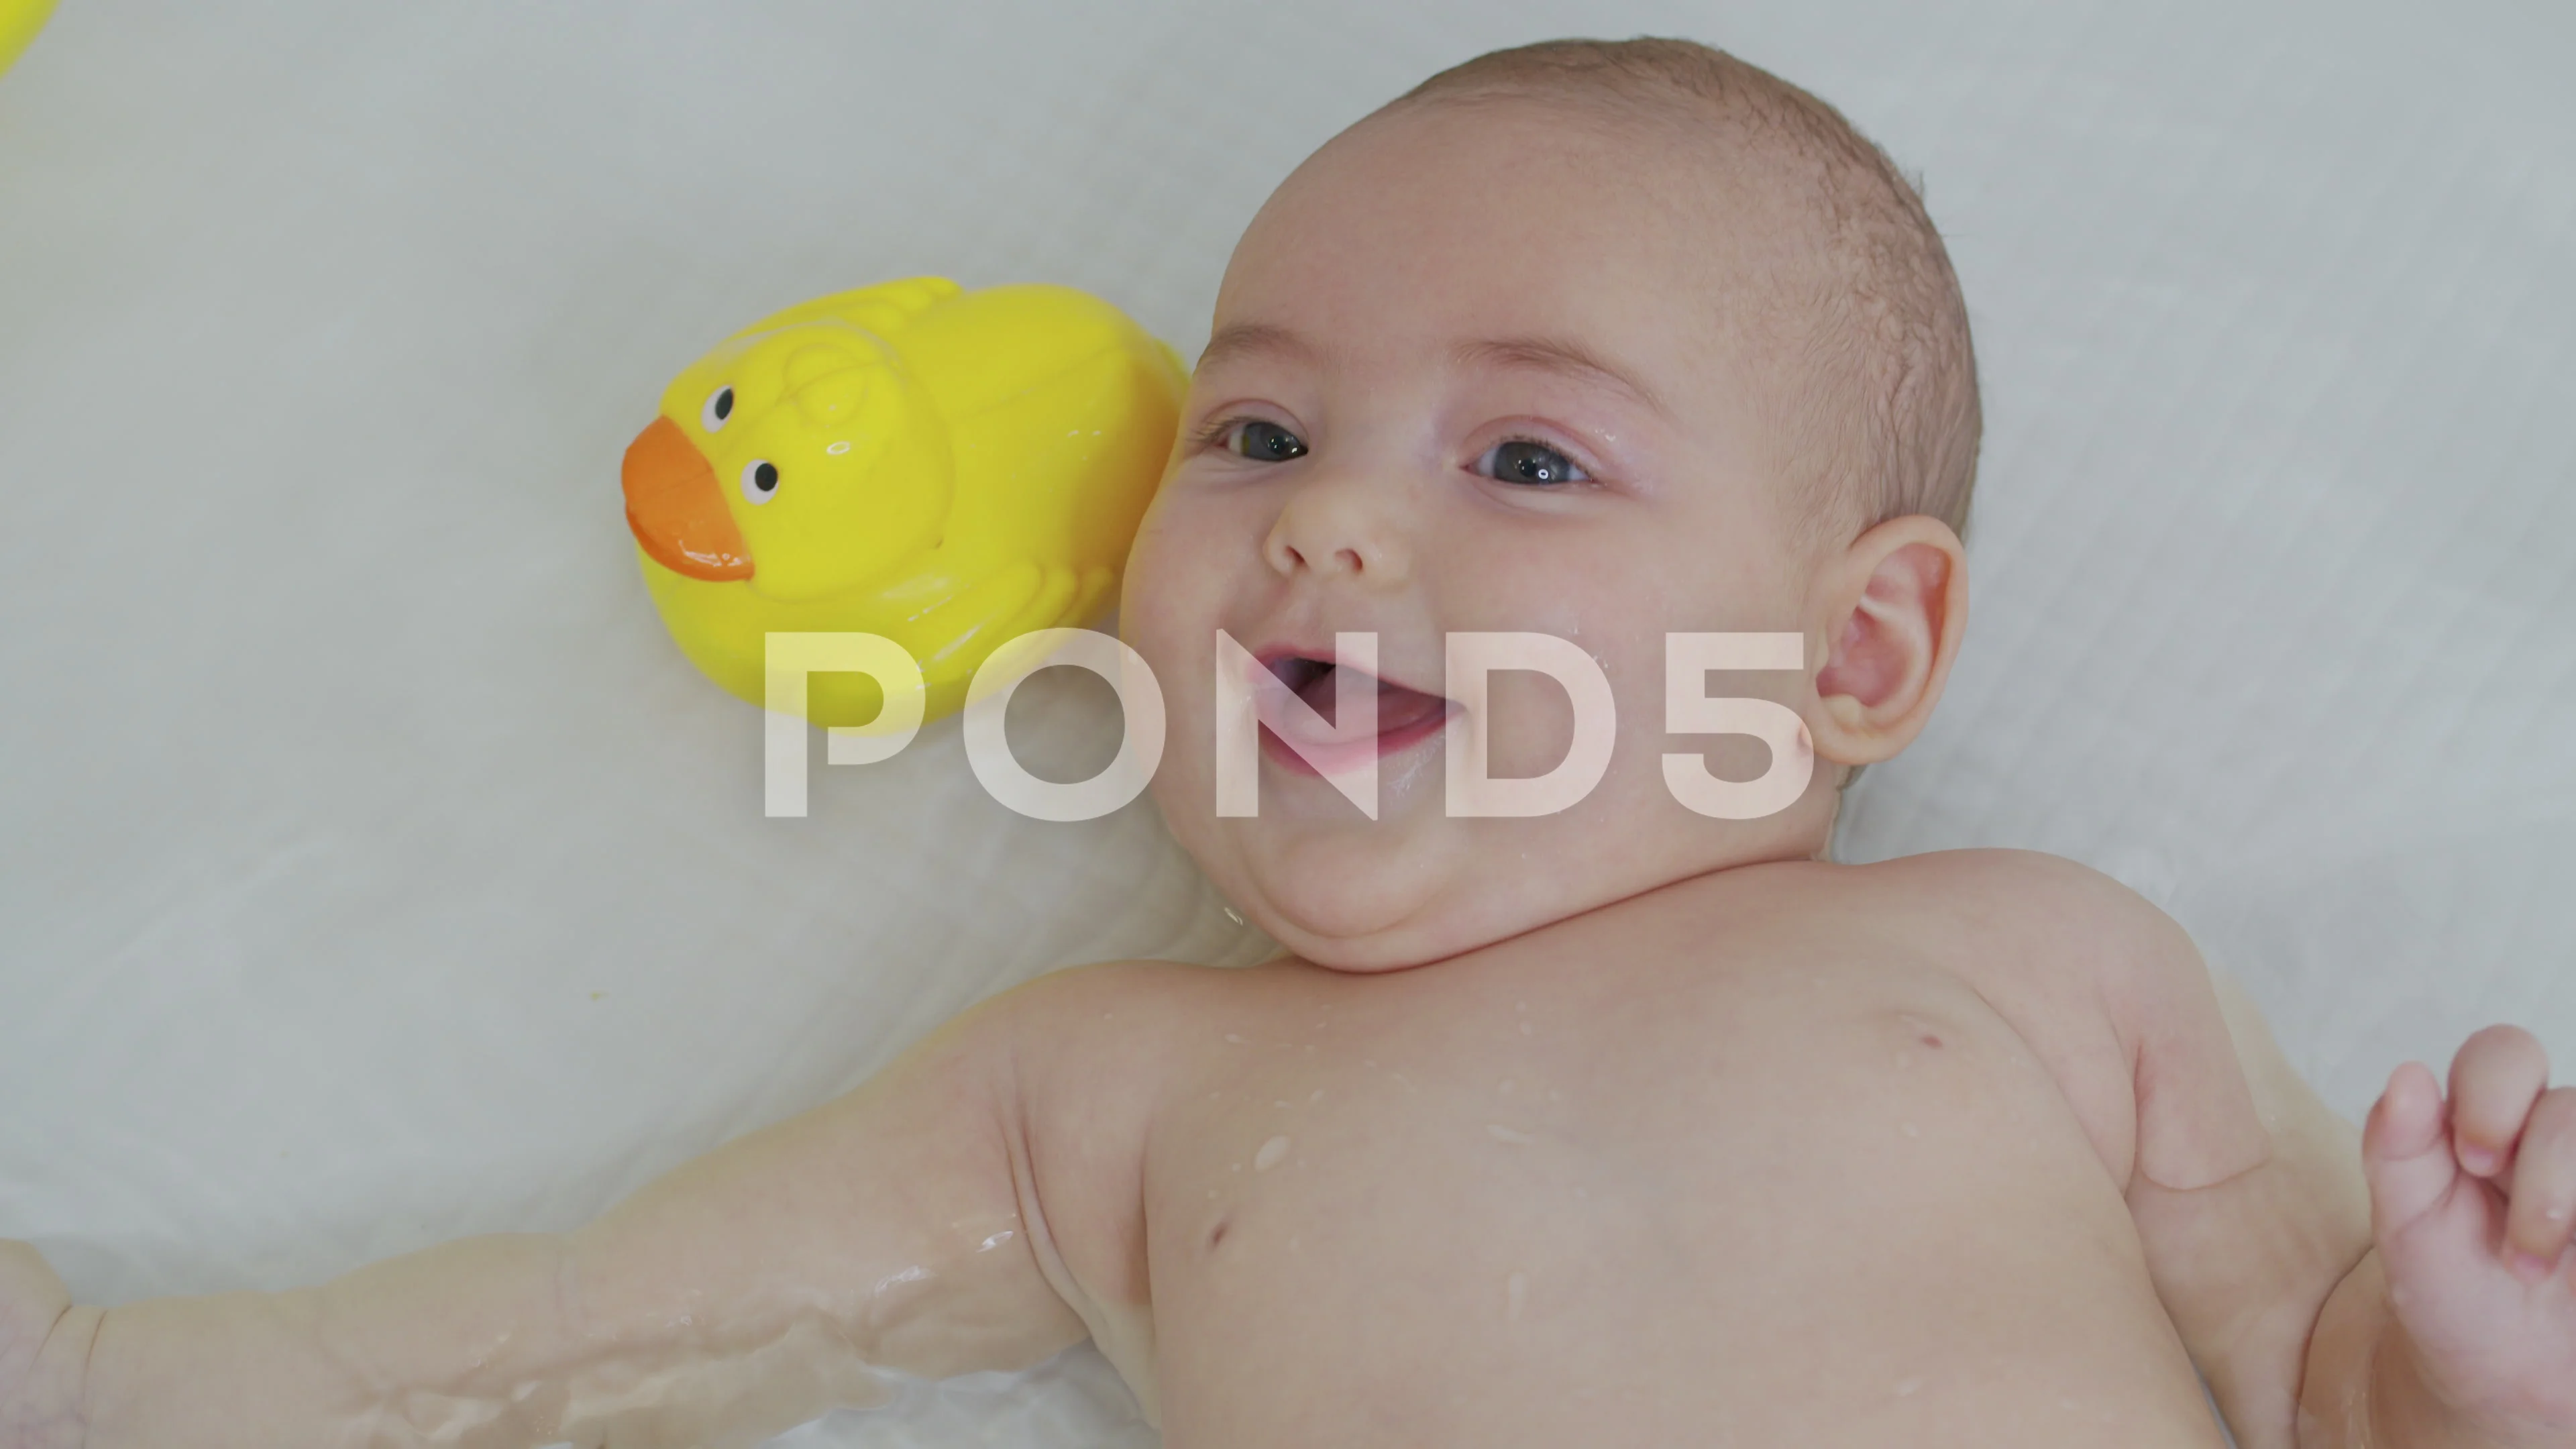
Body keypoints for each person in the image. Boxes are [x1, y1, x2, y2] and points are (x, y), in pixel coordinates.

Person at [6, 36, 2571, 1449]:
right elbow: (574, 1333)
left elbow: (2311, 1389)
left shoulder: (2046, 973)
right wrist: (105, 1386)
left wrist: (2460, 1367)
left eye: (1527, 459)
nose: (1329, 524)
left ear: (1864, 655)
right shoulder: (1092, 1094)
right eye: (1253, 437)